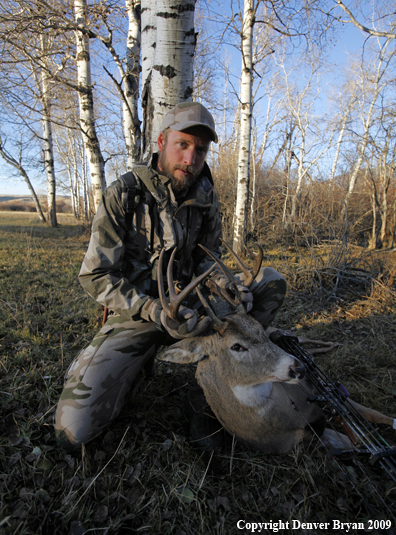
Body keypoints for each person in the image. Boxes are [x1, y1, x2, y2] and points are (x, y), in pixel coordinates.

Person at [54, 102, 286, 450]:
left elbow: (209, 261)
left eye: (201, 149)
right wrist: (152, 311)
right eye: (183, 144)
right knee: (72, 433)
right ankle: (120, 365)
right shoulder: (124, 195)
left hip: (195, 307)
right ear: (161, 142)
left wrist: (228, 288)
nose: (191, 159)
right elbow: (96, 275)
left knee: (268, 281)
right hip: (138, 314)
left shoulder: (205, 197)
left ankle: (212, 385)